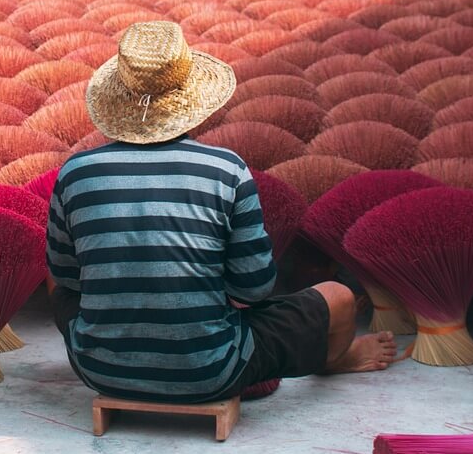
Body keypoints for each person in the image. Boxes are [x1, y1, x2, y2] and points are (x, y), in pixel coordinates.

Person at [46, 21, 397, 403]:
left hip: (100, 372)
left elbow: (67, 277)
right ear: (193, 98)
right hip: (212, 372)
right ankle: (332, 358)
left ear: (118, 98)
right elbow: (254, 289)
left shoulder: (75, 171)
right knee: (338, 296)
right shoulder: (226, 169)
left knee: (55, 281)